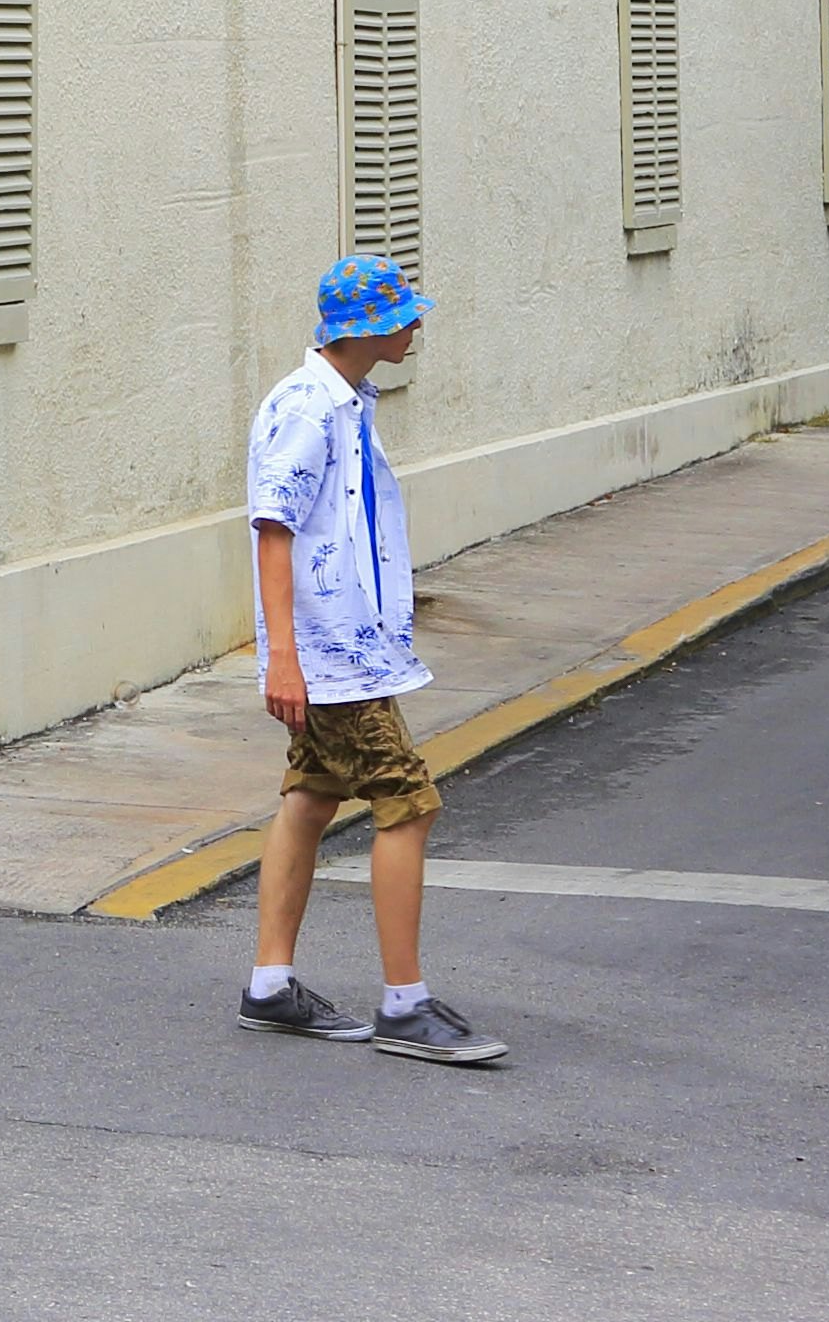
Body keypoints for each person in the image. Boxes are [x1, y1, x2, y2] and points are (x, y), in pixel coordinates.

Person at [235, 254, 504, 1064]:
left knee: (313, 795)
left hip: (346, 649)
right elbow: (272, 531)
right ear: (364, 330)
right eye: (401, 316)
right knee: (408, 804)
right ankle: (404, 1004)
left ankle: (270, 986)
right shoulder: (308, 407)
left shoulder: (343, 401)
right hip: (330, 656)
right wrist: (284, 659)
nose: (415, 325)